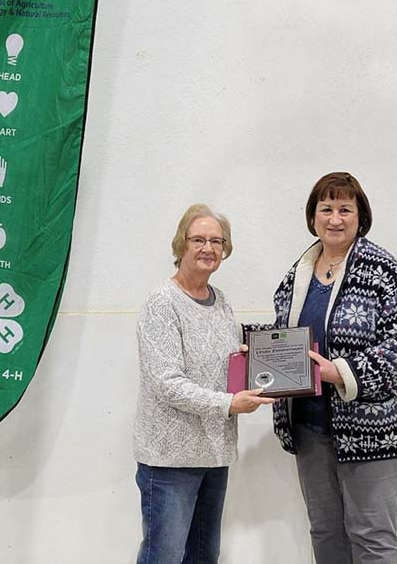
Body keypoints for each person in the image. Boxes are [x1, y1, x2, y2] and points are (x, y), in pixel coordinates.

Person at [270, 172, 397, 564]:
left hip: (374, 432)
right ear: (313, 217)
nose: (334, 218)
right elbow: (286, 337)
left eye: (344, 209)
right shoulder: (297, 274)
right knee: (325, 535)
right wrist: (253, 350)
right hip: (310, 428)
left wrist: (343, 372)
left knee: (371, 538)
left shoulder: (381, 268)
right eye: (326, 209)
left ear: (360, 217)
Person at [134, 204, 274, 564]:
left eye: (216, 241)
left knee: (202, 557)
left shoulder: (221, 302)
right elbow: (168, 382)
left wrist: (250, 360)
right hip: (169, 461)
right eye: (198, 239)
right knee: (163, 557)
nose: (207, 248)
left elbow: (224, 365)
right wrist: (228, 404)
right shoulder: (162, 303)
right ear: (181, 244)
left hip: (214, 454)